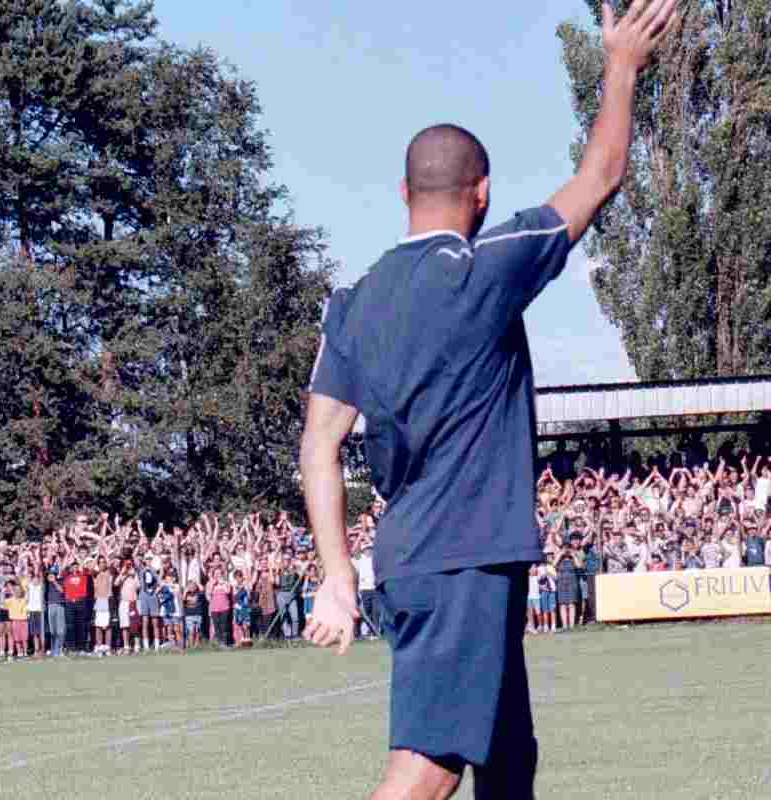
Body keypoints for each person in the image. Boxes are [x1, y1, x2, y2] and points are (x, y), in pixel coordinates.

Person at [298, 2, 678, 796]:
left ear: (404, 190)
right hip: (464, 558)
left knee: (509, 758)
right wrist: (622, 64)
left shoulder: (354, 302)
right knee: (427, 769)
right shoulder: (483, 267)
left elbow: (318, 447)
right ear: (481, 195)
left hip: (414, 560)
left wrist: (338, 575)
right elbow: (600, 176)